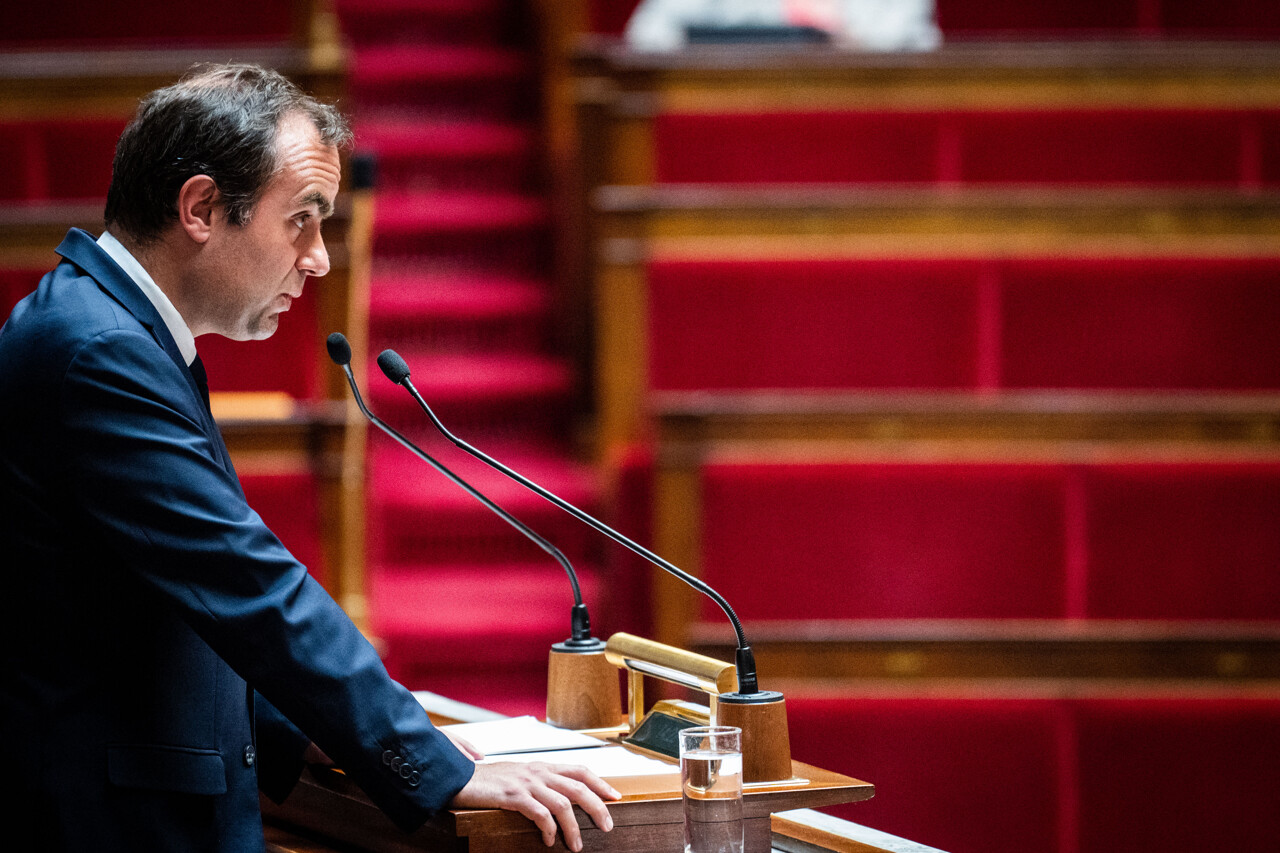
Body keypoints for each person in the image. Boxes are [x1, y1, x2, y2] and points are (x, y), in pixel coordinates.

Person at [0, 63, 618, 852]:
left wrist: (313, 733)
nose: (319, 257)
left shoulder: (106, 329)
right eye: (301, 219)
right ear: (200, 208)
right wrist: (428, 761)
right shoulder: (98, 351)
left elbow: (152, 614)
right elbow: (246, 582)